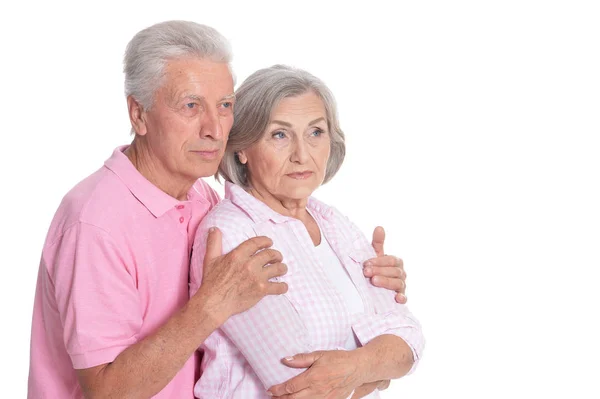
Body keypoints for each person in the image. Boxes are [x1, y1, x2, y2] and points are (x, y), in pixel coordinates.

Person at [28, 21, 408, 398]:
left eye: (225, 106)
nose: (214, 128)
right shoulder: (94, 224)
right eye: (191, 106)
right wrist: (211, 304)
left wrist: (360, 283)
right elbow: (107, 393)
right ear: (138, 114)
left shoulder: (201, 197)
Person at [189, 65, 424, 399]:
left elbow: (409, 336)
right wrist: (375, 369)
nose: (302, 154)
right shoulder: (233, 232)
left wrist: (358, 367)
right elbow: (297, 384)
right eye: (279, 135)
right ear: (242, 148)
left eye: (316, 132)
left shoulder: (333, 223)